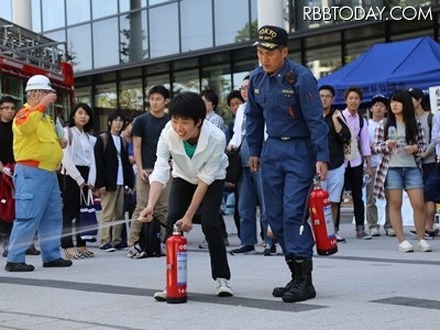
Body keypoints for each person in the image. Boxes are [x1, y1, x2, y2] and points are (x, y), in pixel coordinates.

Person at [245, 25, 328, 303]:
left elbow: (316, 120)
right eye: (259, 52)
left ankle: (306, 281)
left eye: (269, 52)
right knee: (274, 217)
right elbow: (253, 118)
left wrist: (321, 156)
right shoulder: (257, 78)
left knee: (294, 212)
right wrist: (254, 150)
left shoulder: (301, 78)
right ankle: (295, 275)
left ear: (284, 52)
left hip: (299, 150)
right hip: (272, 151)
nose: (264, 58)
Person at [139, 92, 233, 299]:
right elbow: (161, 168)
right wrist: (150, 205)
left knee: (210, 223)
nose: (179, 127)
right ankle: (172, 283)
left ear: (198, 121)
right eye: (174, 121)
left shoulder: (216, 138)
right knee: (173, 222)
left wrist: (189, 216)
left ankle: (222, 279)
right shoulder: (168, 133)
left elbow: (205, 180)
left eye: (185, 122)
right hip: (182, 176)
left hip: (212, 179)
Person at [5, 74, 72, 272]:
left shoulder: (46, 118)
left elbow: (46, 141)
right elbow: (26, 128)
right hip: (31, 172)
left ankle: (51, 256)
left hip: (48, 173)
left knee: (52, 216)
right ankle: (14, 259)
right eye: (45, 92)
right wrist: (41, 105)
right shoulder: (24, 114)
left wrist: (59, 145)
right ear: (33, 93)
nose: (49, 96)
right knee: (27, 216)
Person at [373, 89, 431, 253]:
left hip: (412, 167)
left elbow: (424, 147)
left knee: (419, 204)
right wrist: (386, 145)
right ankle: (402, 240)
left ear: (405, 103)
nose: (394, 105)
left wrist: (415, 149)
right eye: (392, 102)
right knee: (395, 204)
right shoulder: (383, 124)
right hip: (391, 168)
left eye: (397, 101)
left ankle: (421, 238)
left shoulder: (415, 123)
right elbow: (376, 147)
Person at [228, 75, 276, 256]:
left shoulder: (265, 104)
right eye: (242, 88)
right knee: (244, 205)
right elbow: (237, 133)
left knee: (266, 203)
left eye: (248, 87)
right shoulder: (240, 109)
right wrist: (231, 145)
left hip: (262, 157)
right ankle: (247, 241)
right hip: (242, 159)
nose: (244, 91)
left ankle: (269, 240)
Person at [127, 86, 171, 259]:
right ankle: (132, 243)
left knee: (163, 208)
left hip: (166, 170)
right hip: (146, 170)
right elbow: (136, 147)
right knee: (142, 205)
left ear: (166, 101)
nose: (154, 102)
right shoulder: (141, 120)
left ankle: (163, 242)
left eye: (158, 99)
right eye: (152, 98)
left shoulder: (170, 121)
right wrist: (140, 168)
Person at [59, 103, 96, 259]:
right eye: (80, 113)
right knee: (69, 212)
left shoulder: (88, 137)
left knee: (83, 212)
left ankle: (82, 244)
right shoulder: (67, 132)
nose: (83, 116)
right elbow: (65, 158)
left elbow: (92, 160)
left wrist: (91, 179)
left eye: (86, 114)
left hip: (86, 175)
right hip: (71, 175)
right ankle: (67, 246)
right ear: (73, 115)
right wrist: (79, 179)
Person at [94, 110, 134, 252]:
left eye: (121, 121)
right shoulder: (103, 138)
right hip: (108, 183)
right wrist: (100, 184)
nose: (118, 123)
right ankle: (104, 241)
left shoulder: (123, 140)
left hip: (121, 182)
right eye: (115, 120)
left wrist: (129, 183)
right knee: (107, 213)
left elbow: (126, 164)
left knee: (119, 213)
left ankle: (116, 240)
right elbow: (99, 163)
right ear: (110, 122)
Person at [319, 85, 351, 243]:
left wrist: (336, 120)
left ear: (332, 99)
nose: (324, 99)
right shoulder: (313, 117)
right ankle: (319, 231)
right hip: (317, 165)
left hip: (337, 164)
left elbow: (346, 136)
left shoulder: (337, 115)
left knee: (334, 200)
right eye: (321, 96)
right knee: (318, 201)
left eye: (327, 96)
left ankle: (333, 231)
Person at [341, 86, 372, 239]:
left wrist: (368, 166)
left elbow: (365, 144)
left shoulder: (361, 120)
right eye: (350, 98)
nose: (353, 101)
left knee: (358, 196)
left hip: (356, 162)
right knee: (337, 196)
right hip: (340, 162)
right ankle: (335, 230)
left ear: (360, 101)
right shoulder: (339, 116)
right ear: (346, 100)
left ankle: (360, 228)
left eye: (356, 98)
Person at [408, 87, 439, 237]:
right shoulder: (410, 119)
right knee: (422, 195)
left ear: (419, 100)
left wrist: (424, 153)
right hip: (416, 162)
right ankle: (426, 226)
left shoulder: (431, 117)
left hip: (431, 161)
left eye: (412, 98)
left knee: (429, 194)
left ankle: (429, 225)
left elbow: (435, 141)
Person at [366, 94, 394, 237]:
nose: (378, 108)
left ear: (386, 109)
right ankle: (373, 225)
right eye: (376, 105)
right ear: (371, 108)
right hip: (371, 164)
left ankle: (390, 225)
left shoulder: (390, 124)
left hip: (387, 163)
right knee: (370, 197)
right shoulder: (365, 124)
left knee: (391, 196)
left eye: (382, 105)